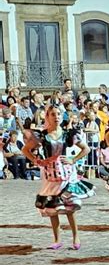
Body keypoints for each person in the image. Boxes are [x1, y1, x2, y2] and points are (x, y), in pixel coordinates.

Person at [22, 105, 94, 250]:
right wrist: (37, 161)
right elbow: (25, 149)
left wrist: (73, 159)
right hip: (50, 174)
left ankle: (76, 237)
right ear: (48, 117)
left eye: (58, 114)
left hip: (66, 173)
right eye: (53, 114)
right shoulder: (42, 135)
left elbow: (86, 148)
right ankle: (57, 239)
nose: (56, 117)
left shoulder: (68, 134)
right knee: (52, 207)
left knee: (69, 206)